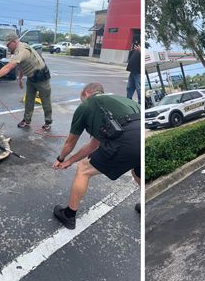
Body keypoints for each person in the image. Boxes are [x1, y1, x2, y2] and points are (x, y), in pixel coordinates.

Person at [52, 83, 141, 229]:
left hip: (126, 139)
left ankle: (68, 215)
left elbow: (70, 142)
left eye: (82, 97)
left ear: (86, 93)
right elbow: (93, 145)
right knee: (137, 171)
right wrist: (70, 161)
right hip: (141, 135)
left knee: (83, 170)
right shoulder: (120, 101)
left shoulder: (87, 104)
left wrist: (61, 159)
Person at [0, 32, 53, 131]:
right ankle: (26, 120)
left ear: (14, 42)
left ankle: (48, 121)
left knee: (45, 100)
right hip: (31, 77)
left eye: (8, 44)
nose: (7, 47)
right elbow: (21, 64)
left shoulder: (21, 50)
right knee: (29, 100)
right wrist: (20, 78)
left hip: (42, 77)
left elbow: (9, 66)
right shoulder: (17, 50)